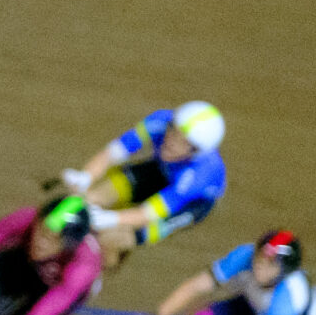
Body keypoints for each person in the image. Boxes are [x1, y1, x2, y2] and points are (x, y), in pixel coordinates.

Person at [58, 101, 227, 265]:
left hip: (190, 203)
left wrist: (111, 219)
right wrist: (85, 177)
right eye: (173, 130)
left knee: (113, 239)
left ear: (196, 151)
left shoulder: (199, 175)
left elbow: (148, 214)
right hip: (163, 170)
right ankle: (55, 230)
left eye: (184, 142)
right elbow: (112, 153)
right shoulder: (161, 120)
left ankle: (90, 275)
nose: (171, 141)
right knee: (92, 197)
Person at [142, 229, 316, 315]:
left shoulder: (287, 301)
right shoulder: (244, 255)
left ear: (283, 273)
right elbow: (196, 286)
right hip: (249, 304)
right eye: (260, 257)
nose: (260, 265)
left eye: (270, 264)